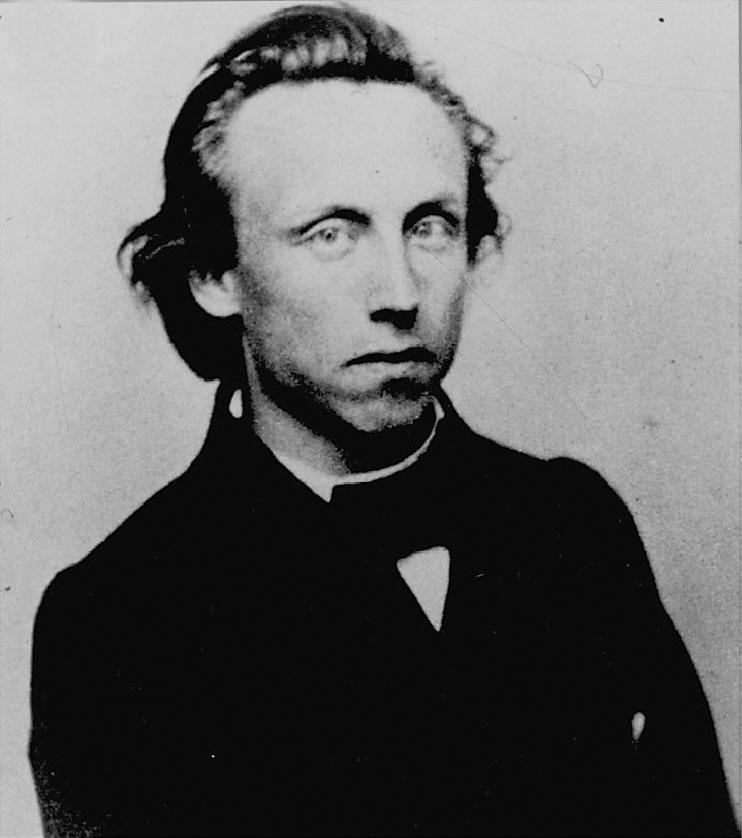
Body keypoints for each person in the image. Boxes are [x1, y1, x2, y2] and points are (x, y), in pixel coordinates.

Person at [28, 4, 738, 836]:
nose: (399, 294)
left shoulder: (571, 526)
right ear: (215, 274)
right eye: (332, 234)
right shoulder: (118, 619)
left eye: (429, 227)